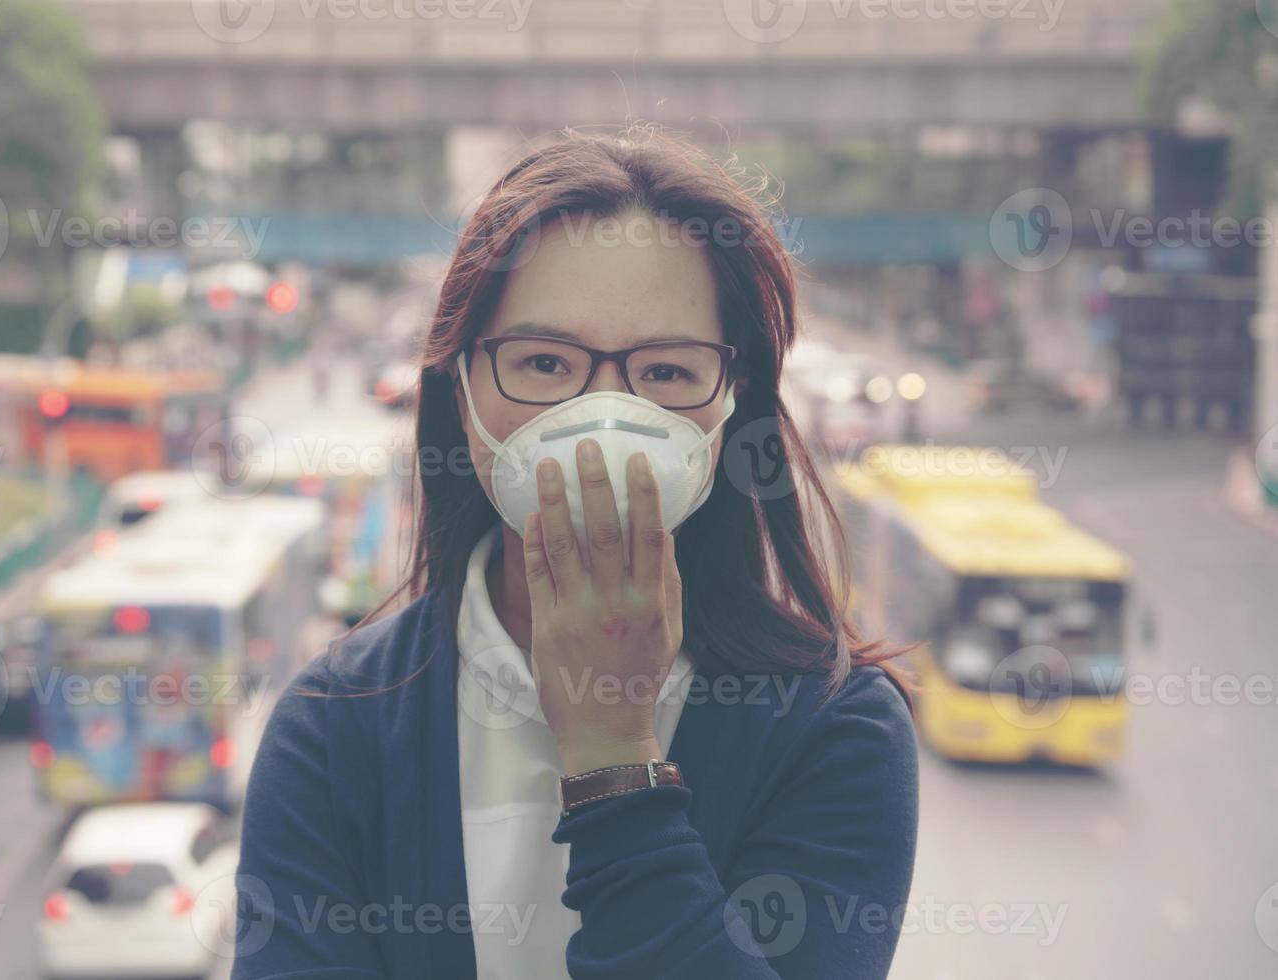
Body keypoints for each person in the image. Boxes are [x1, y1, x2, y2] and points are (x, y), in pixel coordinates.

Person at [233, 126, 918, 979]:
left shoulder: (833, 727)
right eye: (545, 362)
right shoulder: (338, 727)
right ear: (461, 386)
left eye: (665, 372)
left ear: (732, 403)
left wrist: (611, 751)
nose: (598, 422)